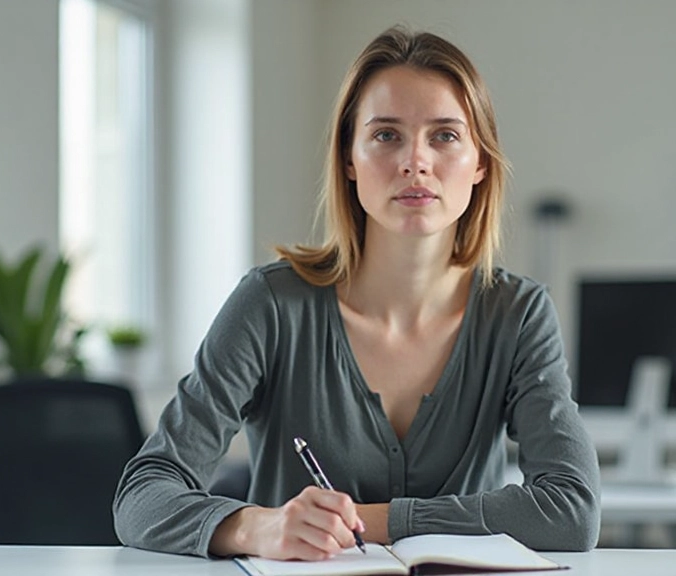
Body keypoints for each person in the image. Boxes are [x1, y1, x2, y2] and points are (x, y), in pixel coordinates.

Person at [113, 25, 600, 561]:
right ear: (349, 157)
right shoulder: (271, 305)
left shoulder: (519, 314)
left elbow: (571, 511)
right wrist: (255, 527)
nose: (416, 162)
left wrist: (375, 520)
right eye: (387, 135)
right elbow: (142, 497)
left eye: (444, 136)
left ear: (480, 162)